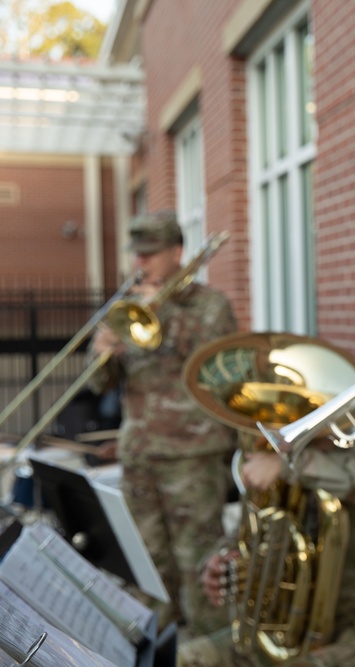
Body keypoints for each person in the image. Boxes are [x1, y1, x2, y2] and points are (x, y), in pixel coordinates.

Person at [87, 211, 237, 634]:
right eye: (138, 254)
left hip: (192, 455)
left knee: (199, 562)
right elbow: (100, 385)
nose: (142, 263)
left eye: (151, 254)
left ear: (177, 252)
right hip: (140, 453)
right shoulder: (125, 307)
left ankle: (208, 651)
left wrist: (163, 311)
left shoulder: (210, 305)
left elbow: (221, 374)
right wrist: (104, 349)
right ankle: (158, 645)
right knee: (147, 563)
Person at [177, 437, 355, 667]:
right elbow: (247, 532)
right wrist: (221, 562)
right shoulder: (273, 462)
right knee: (189, 658)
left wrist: (289, 466)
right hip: (283, 630)